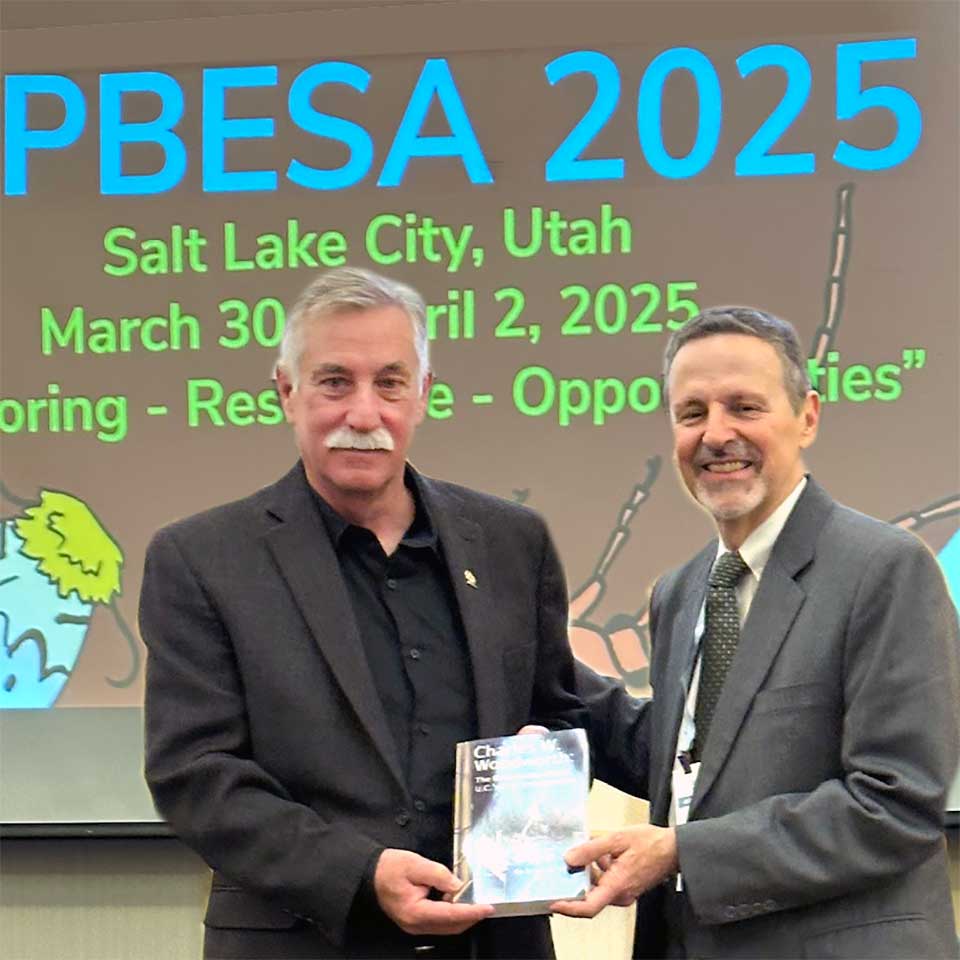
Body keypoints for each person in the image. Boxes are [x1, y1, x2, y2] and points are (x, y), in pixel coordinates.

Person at [140, 266, 585, 959]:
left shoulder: (510, 543)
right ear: (286, 391)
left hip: (495, 942)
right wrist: (358, 874)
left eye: (390, 382)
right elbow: (196, 773)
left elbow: (559, 712)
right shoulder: (201, 560)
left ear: (424, 395)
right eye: (334, 382)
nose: (364, 414)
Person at [554, 307, 960, 959]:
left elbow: (894, 808)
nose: (716, 434)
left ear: (808, 416)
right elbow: (691, 762)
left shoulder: (885, 569)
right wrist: (536, 668)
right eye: (692, 414)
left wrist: (680, 852)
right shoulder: (681, 591)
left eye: (744, 407)